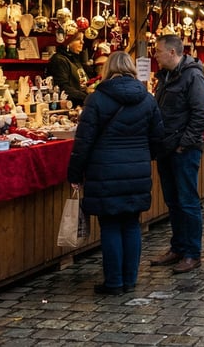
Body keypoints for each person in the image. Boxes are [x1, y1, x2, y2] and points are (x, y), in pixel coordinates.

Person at [68, 51, 164, 295]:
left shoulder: (97, 99)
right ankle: (129, 280)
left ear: (108, 69)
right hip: (137, 169)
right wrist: (143, 157)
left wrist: (75, 174)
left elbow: (83, 142)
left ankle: (114, 282)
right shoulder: (148, 99)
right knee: (131, 224)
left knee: (110, 225)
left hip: (105, 170)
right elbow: (157, 138)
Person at [150, 34, 204, 275]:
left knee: (187, 201)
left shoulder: (193, 76)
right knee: (173, 201)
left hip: (183, 151)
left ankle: (192, 253)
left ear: (172, 52)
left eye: (158, 51)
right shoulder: (165, 77)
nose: (155, 55)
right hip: (166, 148)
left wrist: (183, 144)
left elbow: (201, 113)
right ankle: (178, 247)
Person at [46, 31, 90, 107]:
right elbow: (62, 87)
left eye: (82, 39)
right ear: (68, 42)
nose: (82, 42)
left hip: (82, 104)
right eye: (78, 39)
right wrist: (87, 97)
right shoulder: (59, 60)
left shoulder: (75, 59)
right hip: (69, 105)